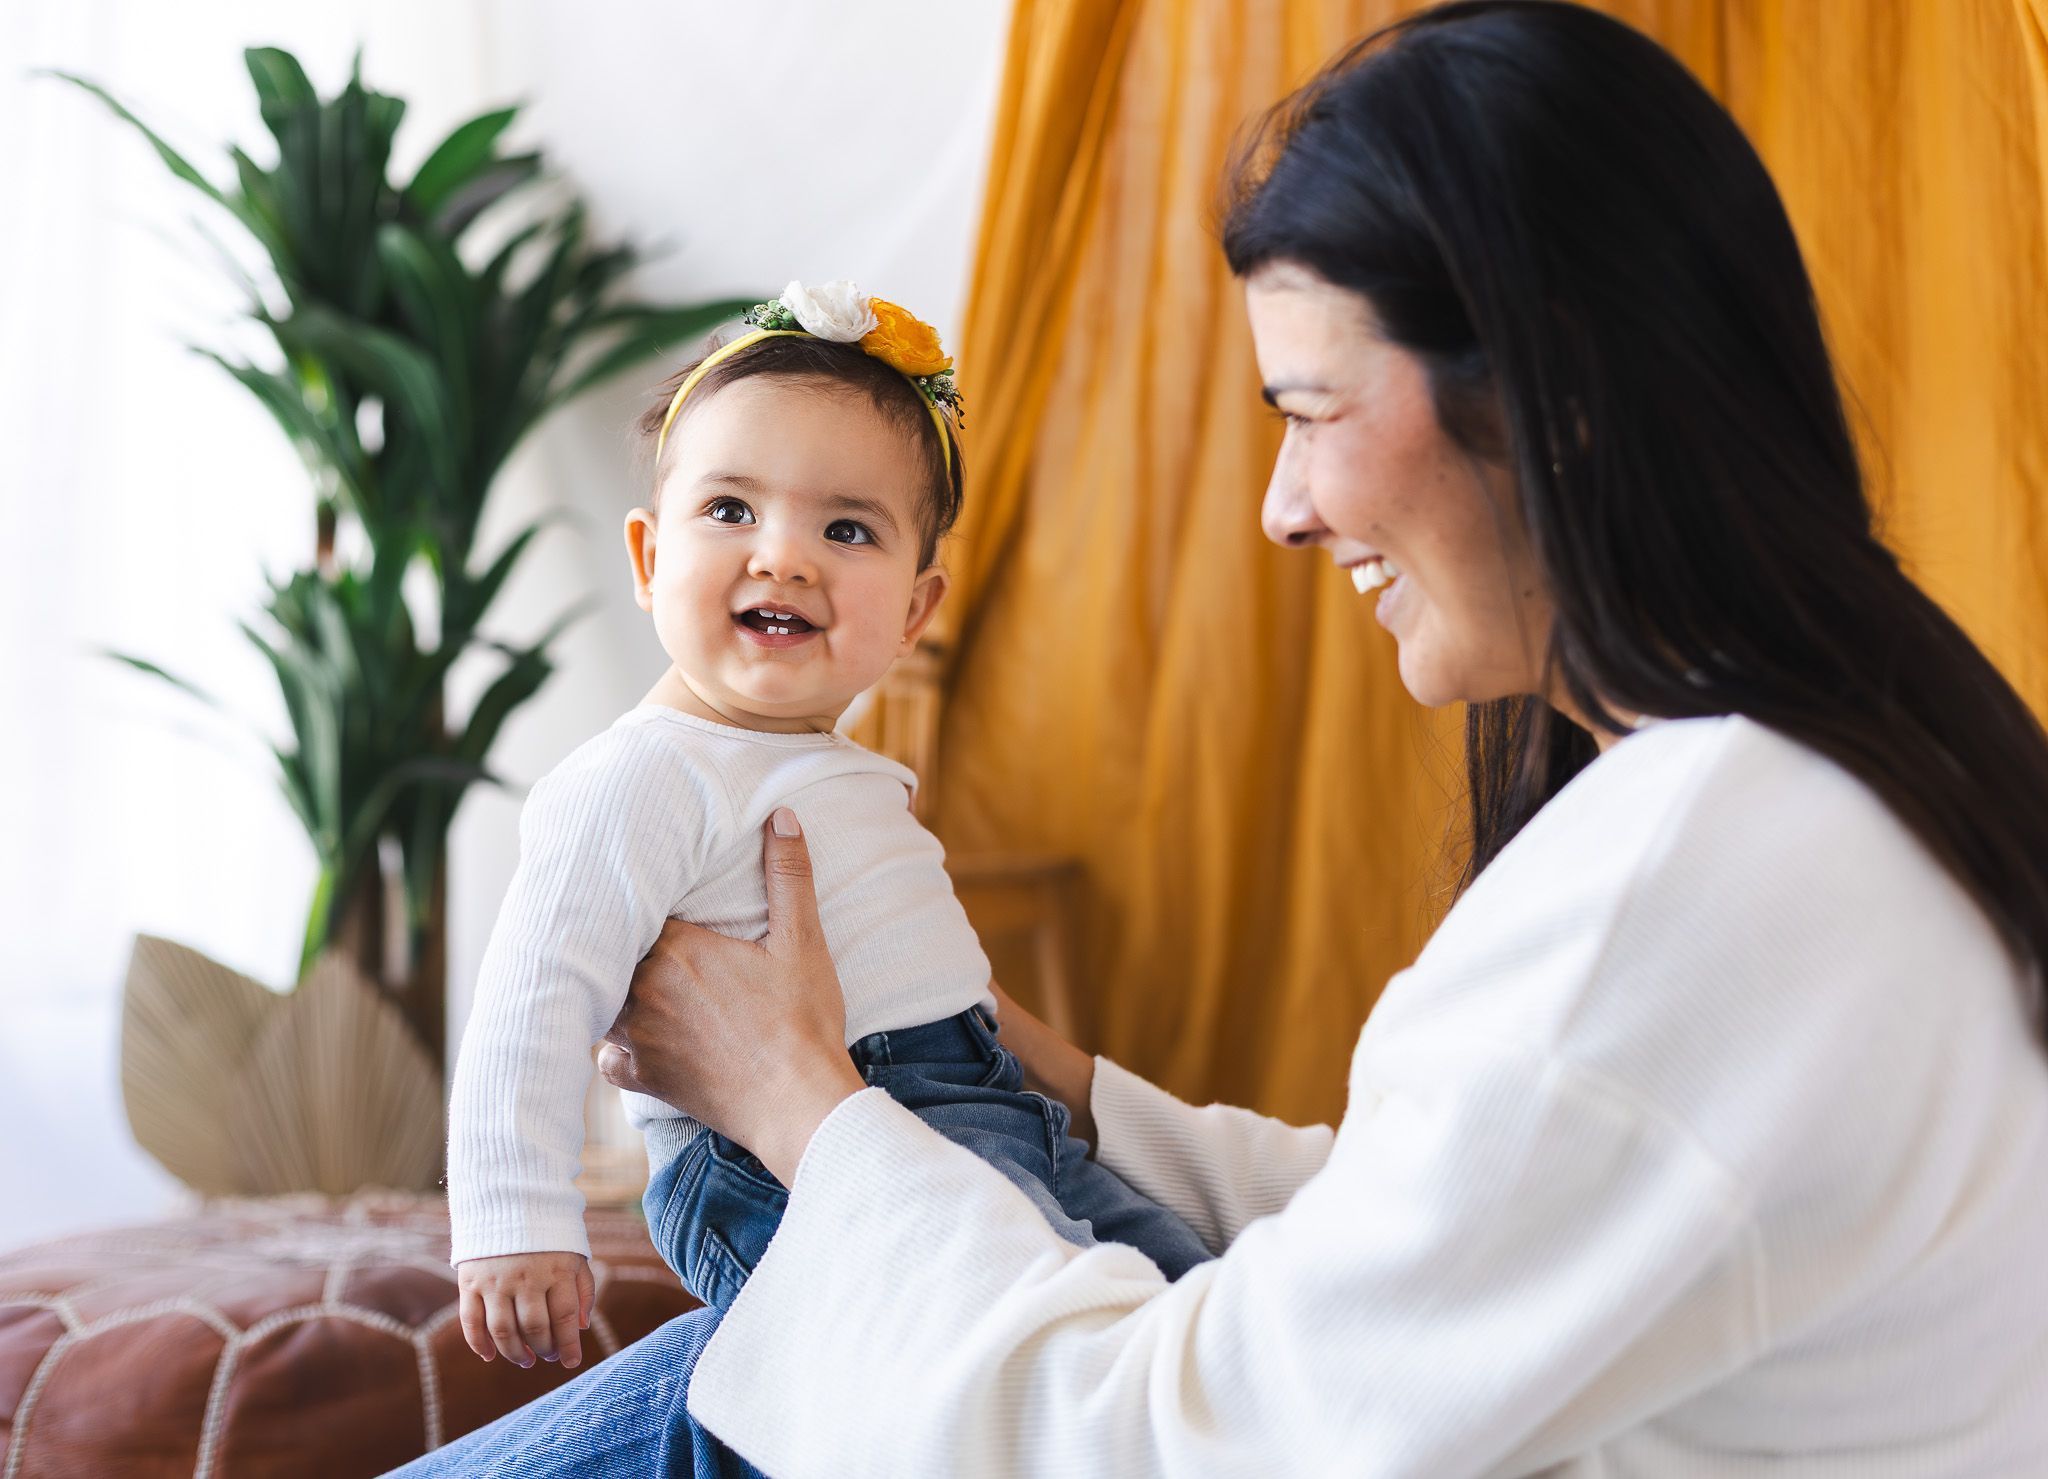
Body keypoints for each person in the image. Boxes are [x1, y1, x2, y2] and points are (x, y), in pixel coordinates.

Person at [397, 2, 2048, 1474]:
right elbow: (1441, 1225)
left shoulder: (1714, 867)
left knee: (744, 1380)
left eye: (1310, 414)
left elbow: (1181, 1440)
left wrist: (795, 1098)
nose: (1277, 508)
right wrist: (1051, 1084)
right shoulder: (1826, 791)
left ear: (1553, 398)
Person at [441, 282, 1210, 1377]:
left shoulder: (837, 770)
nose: (784, 557)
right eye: (730, 511)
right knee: (1009, 1369)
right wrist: (515, 1213)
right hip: (775, 1158)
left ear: (913, 611)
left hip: (981, 1111)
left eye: (846, 528)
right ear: (649, 558)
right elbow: (532, 991)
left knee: (1182, 1303)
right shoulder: (640, 775)